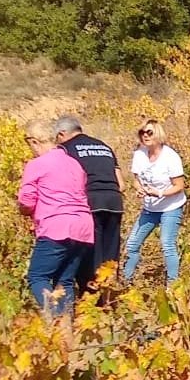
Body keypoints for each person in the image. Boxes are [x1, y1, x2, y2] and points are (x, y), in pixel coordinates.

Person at [17, 131, 94, 320]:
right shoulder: (74, 163)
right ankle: (67, 334)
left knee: (37, 277)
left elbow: (26, 200)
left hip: (56, 226)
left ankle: (56, 321)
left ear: (35, 141)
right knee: (65, 281)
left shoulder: (37, 164)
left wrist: (27, 212)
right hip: (83, 227)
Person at [53, 114, 123, 288]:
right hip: (114, 202)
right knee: (110, 255)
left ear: (62, 133)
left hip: (90, 202)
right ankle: (108, 296)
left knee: (91, 254)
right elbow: (121, 184)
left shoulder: (66, 149)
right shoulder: (103, 146)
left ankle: (92, 300)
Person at [123, 121, 186, 284]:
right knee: (132, 244)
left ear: (158, 134)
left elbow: (179, 186)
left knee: (167, 244)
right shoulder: (139, 154)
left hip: (170, 207)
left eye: (149, 132)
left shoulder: (170, 157)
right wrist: (139, 189)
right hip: (150, 208)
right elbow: (136, 180)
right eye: (142, 132)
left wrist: (158, 192)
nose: (145, 135)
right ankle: (126, 281)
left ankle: (172, 286)